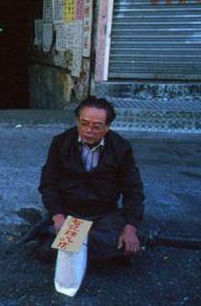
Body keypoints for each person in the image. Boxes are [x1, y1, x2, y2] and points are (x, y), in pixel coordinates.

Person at [26, 96, 144, 264]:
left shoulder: (121, 148)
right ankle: (80, 245)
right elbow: (48, 182)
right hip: (70, 212)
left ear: (107, 128)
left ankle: (70, 245)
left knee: (126, 245)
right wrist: (58, 216)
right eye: (84, 123)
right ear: (77, 121)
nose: (89, 130)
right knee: (46, 251)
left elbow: (133, 190)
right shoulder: (61, 142)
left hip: (104, 213)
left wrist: (130, 228)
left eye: (96, 127)